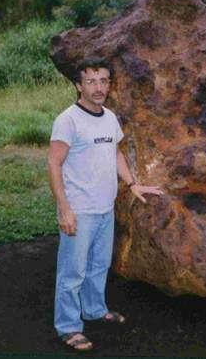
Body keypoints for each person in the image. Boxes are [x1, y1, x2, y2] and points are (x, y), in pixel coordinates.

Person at [47, 57, 164, 352]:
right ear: (78, 85)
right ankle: (69, 327)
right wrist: (64, 208)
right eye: (91, 81)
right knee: (72, 271)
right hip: (80, 209)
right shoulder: (68, 120)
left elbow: (115, 154)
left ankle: (95, 310)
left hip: (104, 207)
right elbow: (54, 163)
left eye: (103, 81)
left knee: (99, 265)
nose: (98, 88)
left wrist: (132, 183)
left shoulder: (109, 117)